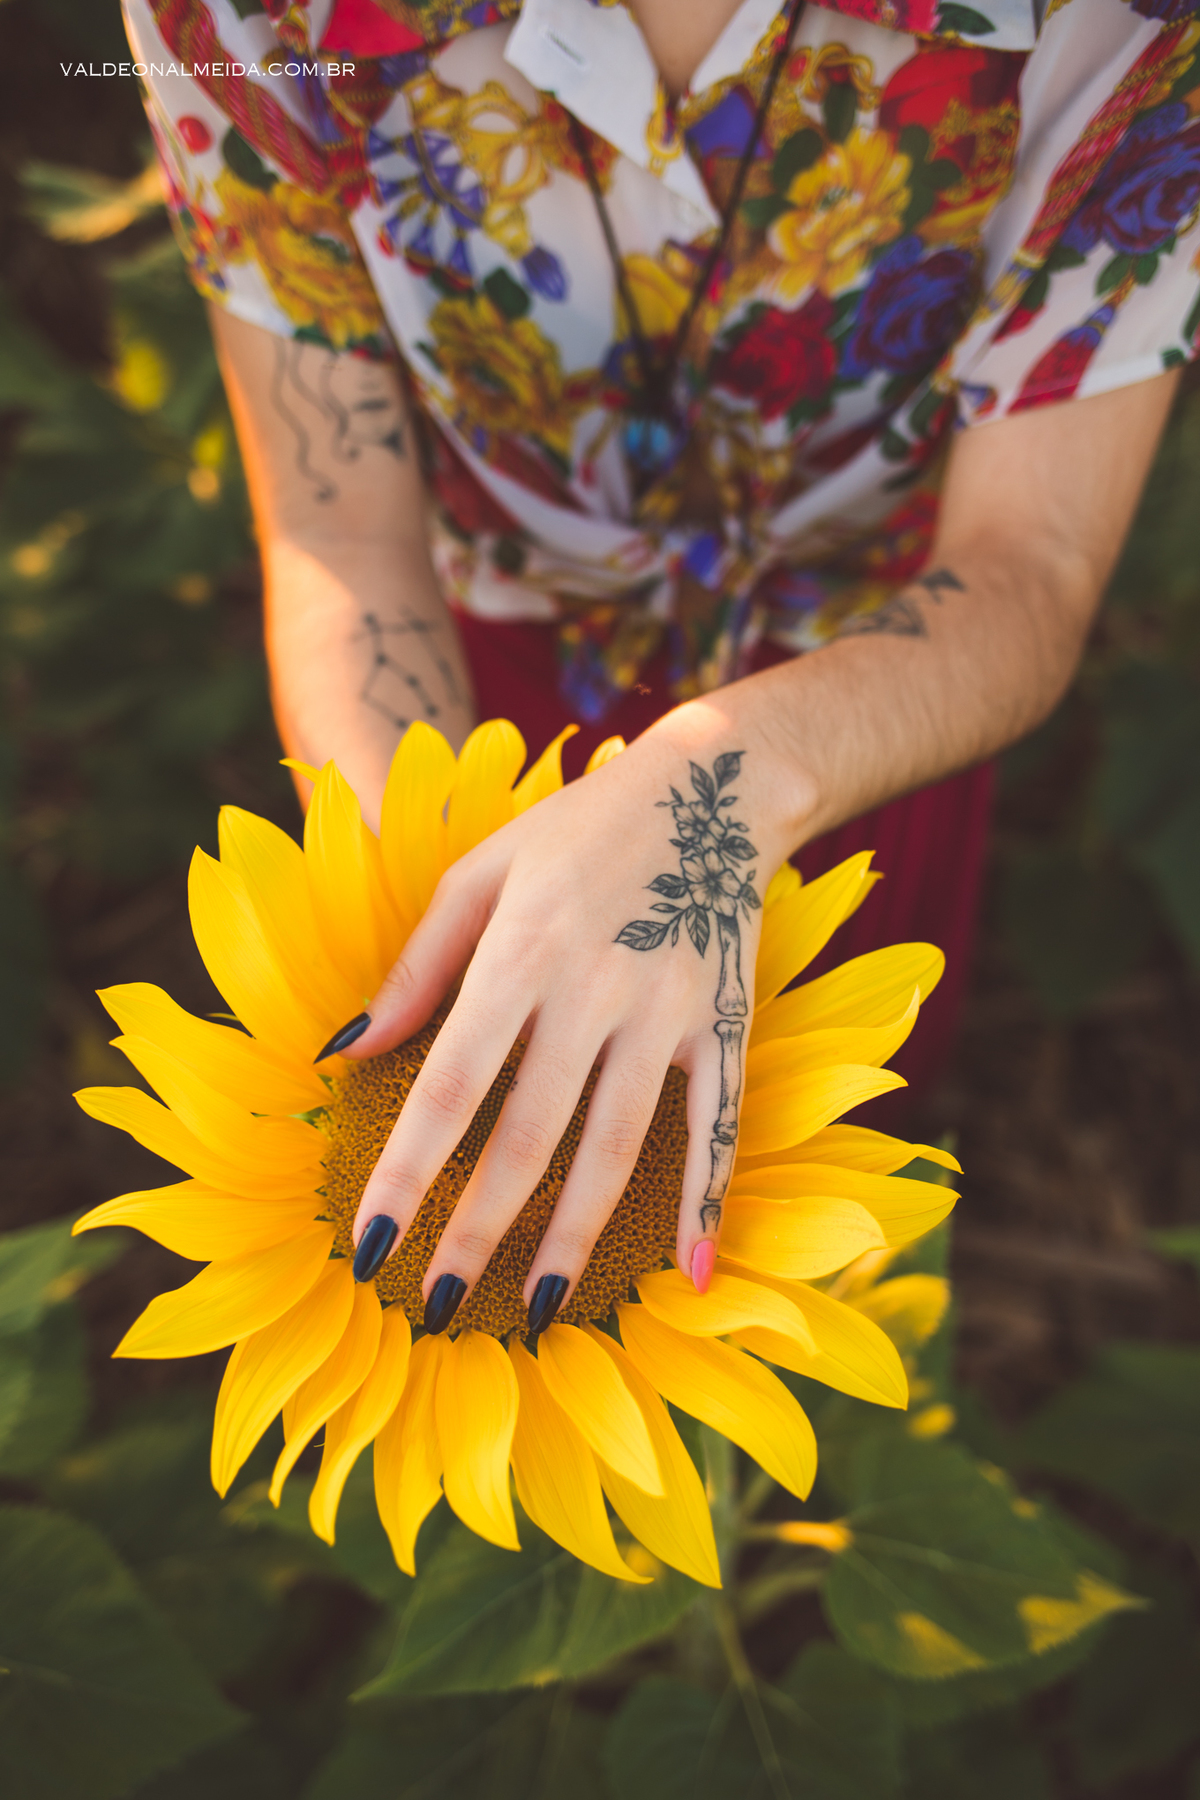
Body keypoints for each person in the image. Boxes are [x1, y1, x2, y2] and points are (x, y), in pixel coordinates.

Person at [122, 0, 1198, 1336]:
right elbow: (342, 532)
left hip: (868, 702)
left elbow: (1028, 563)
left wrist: (720, 785)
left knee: (819, 1204)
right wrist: (443, 939)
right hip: (472, 691)